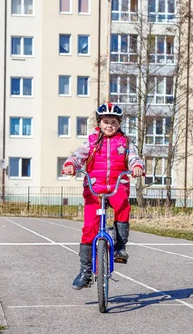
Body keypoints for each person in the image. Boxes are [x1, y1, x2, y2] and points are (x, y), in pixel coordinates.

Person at [62, 102, 144, 290]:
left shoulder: (125, 142)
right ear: (99, 123)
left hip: (117, 186)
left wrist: (137, 167)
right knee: (89, 227)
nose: (109, 125)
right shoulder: (91, 142)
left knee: (123, 207)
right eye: (106, 121)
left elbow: (133, 158)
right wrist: (70, 165)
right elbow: (77, 156)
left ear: (119, 123)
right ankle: (85, 272)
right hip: (94, 189)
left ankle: (120, 247)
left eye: (114, 122)